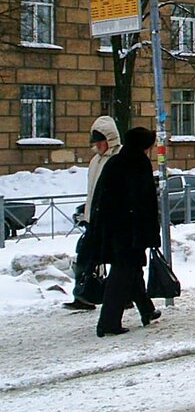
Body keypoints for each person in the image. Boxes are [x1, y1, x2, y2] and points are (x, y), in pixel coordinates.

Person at [90, 126, 162, 336]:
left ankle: (147, 310)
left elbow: (101, 197)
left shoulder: (115, 162)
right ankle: (108, 322)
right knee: (122, 274)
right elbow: (144, 203)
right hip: (130, 230)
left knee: (132, 270)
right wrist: (150, 233)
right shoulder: (138, 163)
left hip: (113, 229)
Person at [64, 116, 122, 311]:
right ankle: (83, 294)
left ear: (110, 139)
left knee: (118, 261)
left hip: (111, 220)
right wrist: (87, 211)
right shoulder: (95, 161)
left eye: (100, 141)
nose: (97, 145)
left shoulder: (119, 158)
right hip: (94, 219)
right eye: (95, 142)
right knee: (86, 256)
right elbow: (92, 190)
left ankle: (124, 296)